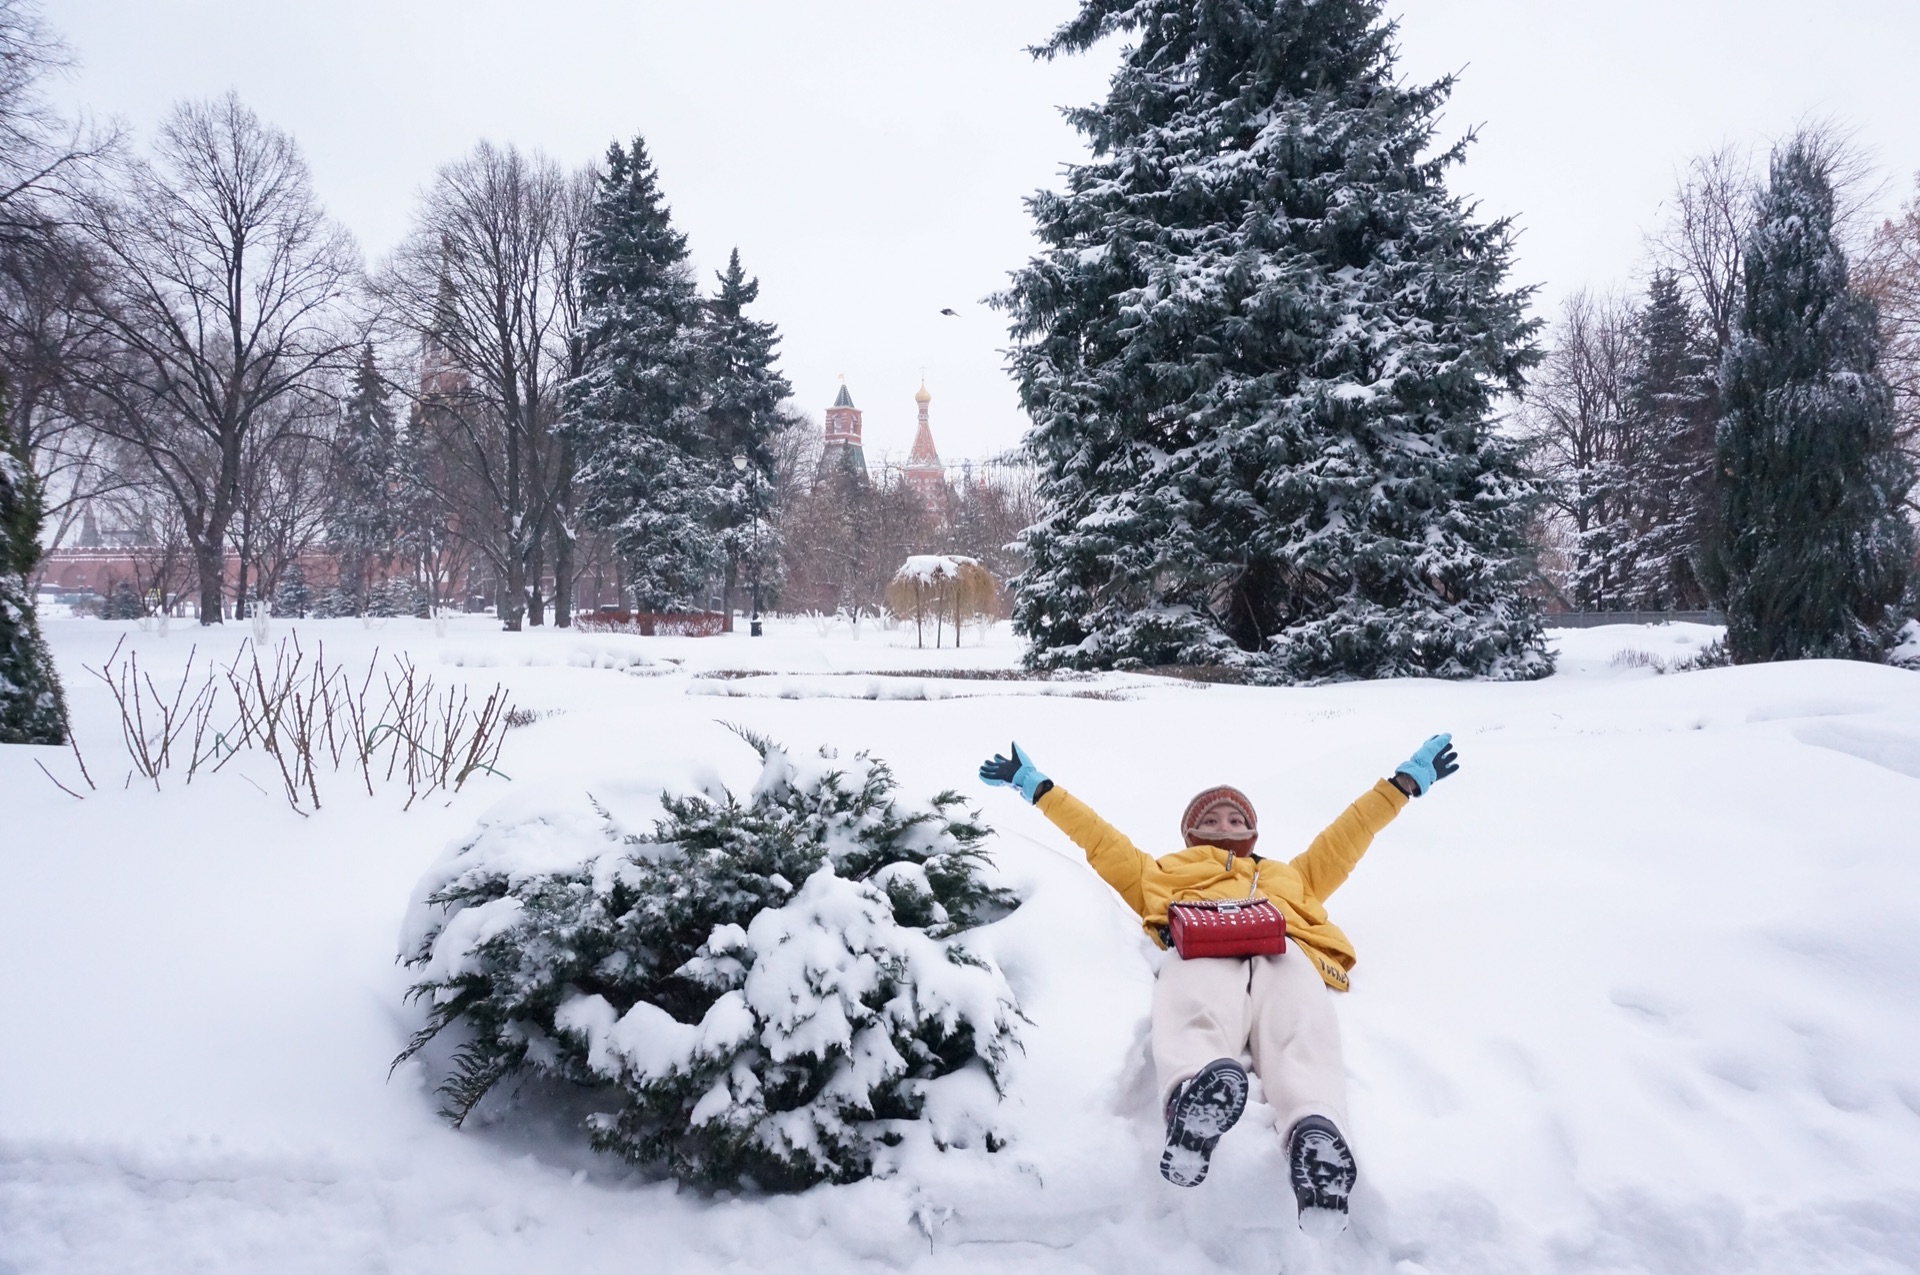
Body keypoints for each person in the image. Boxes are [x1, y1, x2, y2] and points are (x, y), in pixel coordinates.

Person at [979, 734, 1458, 1232]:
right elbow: (1098, 839)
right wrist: (1038, 788)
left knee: (1300, 1025)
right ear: (1189, 834)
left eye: (1236, 818)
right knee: (1195, 998)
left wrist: (1401, 786)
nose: (1223, 825)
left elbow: (1348, 836)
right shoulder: (1159, 873)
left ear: (1253, 831)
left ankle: (1315, 1136)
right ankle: (1193, 1097)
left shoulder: (1292, 876)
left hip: (1284, 944)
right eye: (1208, 820)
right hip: (1201, 937)